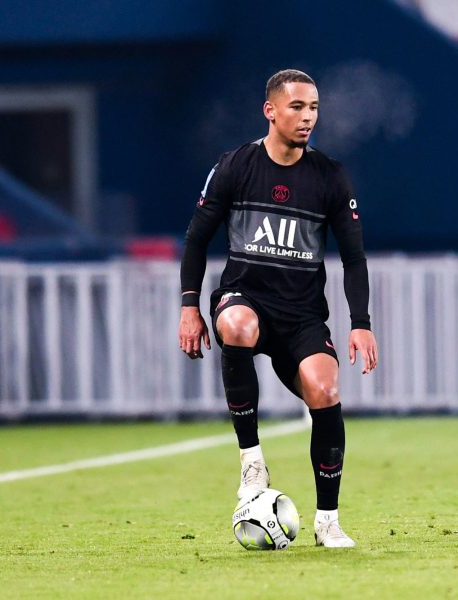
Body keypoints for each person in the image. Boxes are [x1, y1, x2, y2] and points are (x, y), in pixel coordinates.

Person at [178, 69, 378, 548]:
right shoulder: (235, 166)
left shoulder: (329, 175)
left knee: (325, 389)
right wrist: (189, 306)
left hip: (302, 316)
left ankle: (327, 520)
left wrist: (361, 324)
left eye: (313, 108)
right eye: (297, 107)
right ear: (270, 110)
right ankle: (252, 463)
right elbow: (196, 238)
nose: (307, 117)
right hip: (247, 297)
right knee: (236, 323)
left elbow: (353, 257)